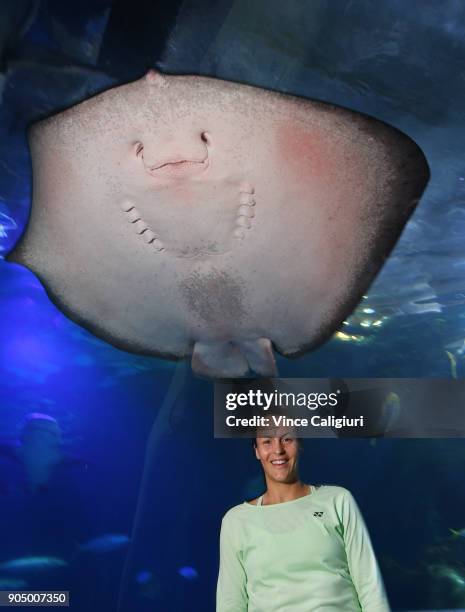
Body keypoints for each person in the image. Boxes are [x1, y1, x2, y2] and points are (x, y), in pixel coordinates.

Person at [216, 427, 390, 611]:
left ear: (300, 444)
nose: (278, 450)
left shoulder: (337, 500)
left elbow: (370, 586)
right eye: (267, 441)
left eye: (287, 439)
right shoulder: (237, 520)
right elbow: (231, 602)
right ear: (256, 450)